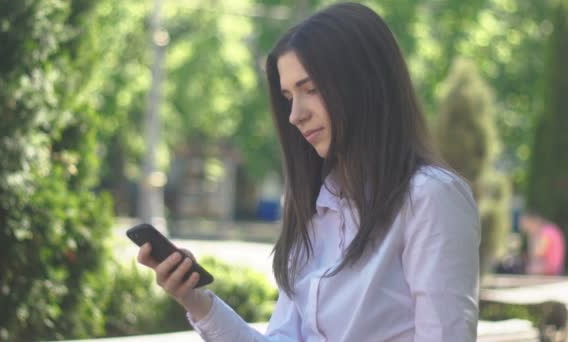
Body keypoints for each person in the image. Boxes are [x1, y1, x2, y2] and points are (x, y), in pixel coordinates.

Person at [137, 3, 480, 341]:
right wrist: (195, 300)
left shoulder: (430, 198)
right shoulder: (315, 209)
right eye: (288, 96)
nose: (295, 115)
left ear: (365, 84)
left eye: (311, 90)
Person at [520, 210, 565, 276]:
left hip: (551, 270)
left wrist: (532, 236)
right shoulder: (546, 230)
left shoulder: (547, 231)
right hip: (548, 268)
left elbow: (537, 253)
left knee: (528, 267)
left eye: (525, 222)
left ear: (533, 221)